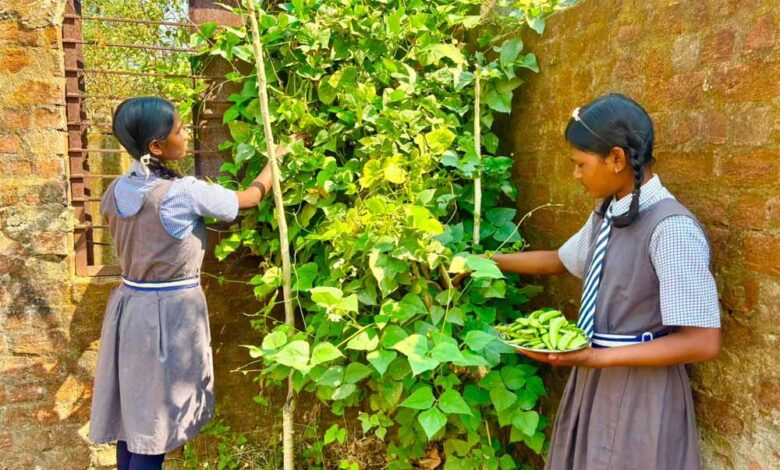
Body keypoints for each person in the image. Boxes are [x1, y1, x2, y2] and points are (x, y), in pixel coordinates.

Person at [492, 93, 721, 469]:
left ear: (616, 158)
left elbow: (703, 341)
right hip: (596, 380)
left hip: (644, 395)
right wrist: (485, 262)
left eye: (580, 163)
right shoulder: (609, 212)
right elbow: (560, 260)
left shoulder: (671, 229)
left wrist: (596, 357)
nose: (575, 174)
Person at [88, 97, 279, 470]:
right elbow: (249, 198)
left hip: (129, 311)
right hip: (169, 316)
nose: (186, 133)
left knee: (134, 419)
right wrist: (276, 161)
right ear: (156, 147)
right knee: (155, 429)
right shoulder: (183, 193)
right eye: (179, 129)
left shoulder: (116, 189)